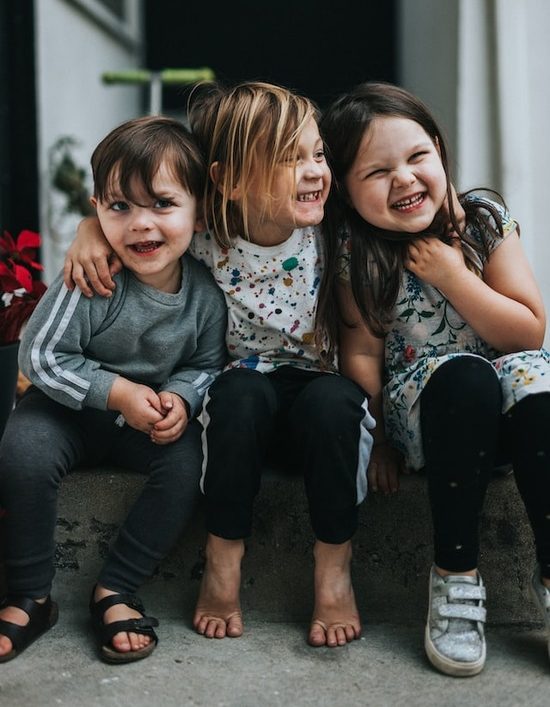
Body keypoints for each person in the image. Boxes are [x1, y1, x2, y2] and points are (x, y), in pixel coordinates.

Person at [61, 81, 376, 649]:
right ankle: (223, 560)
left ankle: (333, 570)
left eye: (318, 154)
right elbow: (144, 224)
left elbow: (363, 343)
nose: (313, 171)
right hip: (238, 414)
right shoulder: (210, 237)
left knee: (336, 402)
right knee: (240, 392)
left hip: (319, 408)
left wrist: (390, 442)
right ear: (229, 182)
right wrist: (88, 231)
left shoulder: (334, 233)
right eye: (289, 158)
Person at [318, 81, 550, 676]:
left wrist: (453, 275)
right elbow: (362, 357)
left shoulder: (483, 222)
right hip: (433, 421)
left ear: (440, 152)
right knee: (465, 377)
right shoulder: (357, 252)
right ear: (344, 188)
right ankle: (454, 574)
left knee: (535, 374)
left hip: (511, 420)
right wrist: (379, 442)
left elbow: (528, 332)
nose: (404, 178)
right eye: (376, 171)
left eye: (418, 156)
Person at [0, 115, 228, 664]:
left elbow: (207, 363)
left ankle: (117, 589)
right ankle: (30, 593)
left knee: (184, 467)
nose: (140, 225)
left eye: (163, 205)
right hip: (63, 411)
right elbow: (40, 354)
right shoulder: (93, 277)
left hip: (145, 422)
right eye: (119, 206)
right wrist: (117, 391)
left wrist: (182, 397)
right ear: (97, 208)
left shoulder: (205, 296)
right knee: (23, 451)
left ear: (199, 212)